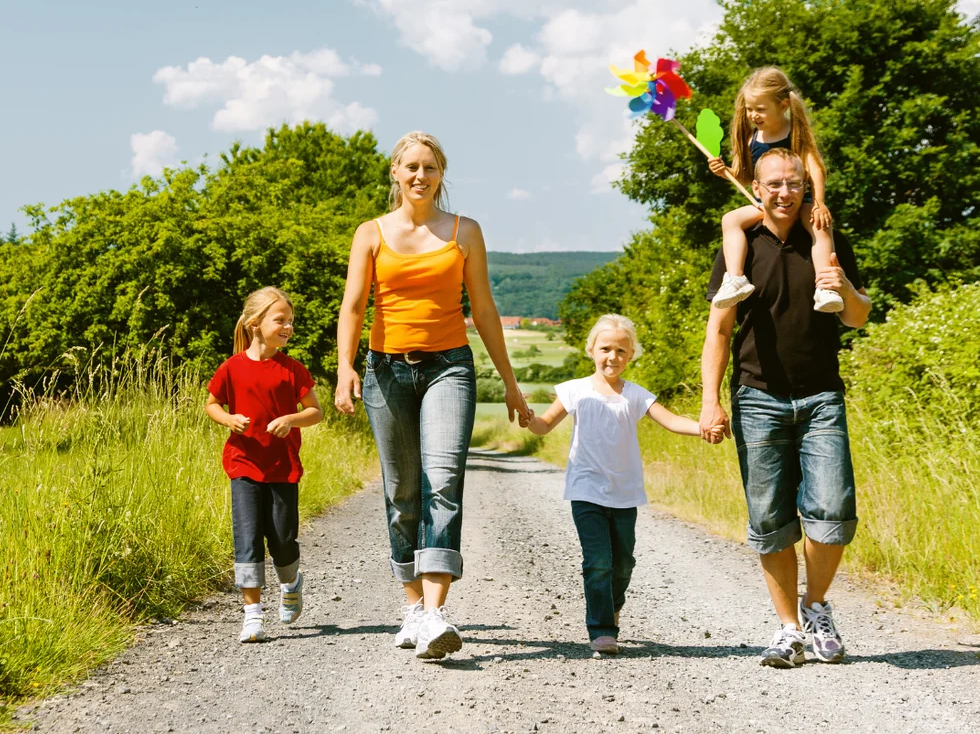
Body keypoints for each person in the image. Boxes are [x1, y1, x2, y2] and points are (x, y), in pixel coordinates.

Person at [334, 131, 533, 661]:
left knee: (442, 482)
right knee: (402, 492)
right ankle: (414, 606)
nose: (420, 176)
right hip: (385, 371)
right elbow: (353, 305)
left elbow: (483, 309)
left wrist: (510, 382)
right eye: (412, 167)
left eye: (430, 167)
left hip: (450, 367)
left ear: (441, 174)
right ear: (395, 173)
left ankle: (435, 614)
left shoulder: (465, 231)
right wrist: (345, 368)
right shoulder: (370, 233)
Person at [698, 147, 871, 668]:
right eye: (773, 183)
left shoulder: (825, 236)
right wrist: (710, 401)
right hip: (756, 397)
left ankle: (815, 608)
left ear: (805, 187)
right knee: (771, 519)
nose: (784, 192)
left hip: (821, 396)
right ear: (757, 187)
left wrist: (843, 286)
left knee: (832, 511)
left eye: (793, 183)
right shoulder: (741, 245)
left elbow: (858, 316)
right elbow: (719, 329)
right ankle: (789, 630)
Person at [526, 314, 701, 655]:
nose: (613, 356)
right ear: (591, 349)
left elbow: (671, 421)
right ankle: (602, 630)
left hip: (624, 494)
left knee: (622, 565)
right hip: (586, 490)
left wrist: (704, 428)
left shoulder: (635, 395)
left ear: (631, 355)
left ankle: (612, 606)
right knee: (598, 562)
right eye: (606, 348)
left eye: (621, 350)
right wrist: (528, 418)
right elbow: (544, 425)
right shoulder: (574, 389)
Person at [205, 286, 323, 643]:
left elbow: (315, 412)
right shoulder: (231, 368)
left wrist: (290, 419)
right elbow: (212, 404)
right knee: (247, 540)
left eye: (290, 321)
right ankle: (252, 616)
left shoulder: (293, 370)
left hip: (282, 468)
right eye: (280, 320)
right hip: (243, 465)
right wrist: (229, 420)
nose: (288, 327)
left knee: (283, 540)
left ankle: (291, 583)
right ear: (255, 323)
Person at [707, 67, 842, 314]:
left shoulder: (795, 133)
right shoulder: (752, 138)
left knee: (820, 226)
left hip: (800, 201)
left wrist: (819, 202)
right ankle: (735, 279)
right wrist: (724, 171)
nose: (753, 115)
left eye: (760, 109)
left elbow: (815, 168)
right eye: (749, 109)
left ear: (783, 105)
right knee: (730, 220)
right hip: (764, 206)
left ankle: (825, 287)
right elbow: (747, 177)